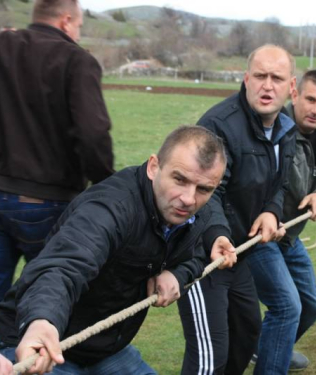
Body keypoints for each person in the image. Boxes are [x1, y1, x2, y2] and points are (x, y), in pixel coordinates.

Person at [0, 126, 234, 375]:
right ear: (154, 167)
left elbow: (197, 253)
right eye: (180, 179)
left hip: (107, 349)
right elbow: (64, 265)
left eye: (203, 189)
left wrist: (179, 274)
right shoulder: (110, 208)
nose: (188, 198)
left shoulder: (196, 214)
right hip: (41, 345)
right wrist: (41, 321)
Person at [177, 44, 297, 375]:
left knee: (246, 333)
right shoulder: (219, 125)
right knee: (209, 355)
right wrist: (216, 233)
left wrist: (272, 211)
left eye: (277, 78)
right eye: (259, 76)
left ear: (291, 86)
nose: (267, 85)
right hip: (202, 254)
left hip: (239, 251)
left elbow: (280, 182)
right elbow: (206, 192)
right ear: (246, 79)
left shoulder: (285, 125)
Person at [0, 0, 114, 301]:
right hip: (48, 200)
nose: (77, 32)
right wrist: (106, 184)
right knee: (51, 298)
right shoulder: (76, 60)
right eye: (78, 26)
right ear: (66, 21)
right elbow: (93, 133)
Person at [245, 70, 316, 374]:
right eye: (310, 99)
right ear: (295, 93)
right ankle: (272, 361)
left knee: (312, 306)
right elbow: (259, 187)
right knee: (287, 307)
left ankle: (266, 349)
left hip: (290, 238)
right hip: (261, 236)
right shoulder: (272, 132)